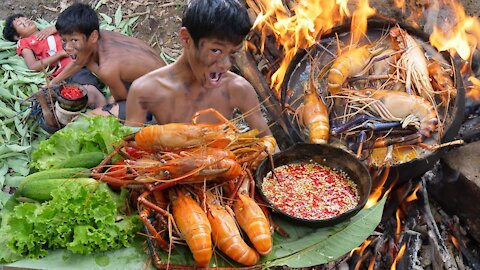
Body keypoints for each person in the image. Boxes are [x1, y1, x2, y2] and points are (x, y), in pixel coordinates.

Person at [125, 0, 273, 138]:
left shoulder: (238, 89)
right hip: (169, 161)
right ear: (186, 38)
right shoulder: (145, 91)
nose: (226, 64)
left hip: (223, 162)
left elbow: (271, 149)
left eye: (233, 52)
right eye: (216, 50)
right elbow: (127, 152)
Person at [53, 3, 167, 120]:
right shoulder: (101, 36)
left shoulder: (107, 67)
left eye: (74, 40)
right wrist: (53, 83)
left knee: (88, 118)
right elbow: (78, 62)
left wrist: (105, 109)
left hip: (161, 105)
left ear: (93, 36)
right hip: (156, 80)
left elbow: (122, 100)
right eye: (63, 40)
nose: (67, 47)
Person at [3, 14, 106, 109]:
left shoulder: (50, 30)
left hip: (88, 54)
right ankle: (104, 110)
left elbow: (79, 27)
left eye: (25, 19)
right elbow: (33, 66)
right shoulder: (24, 42)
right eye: (21, 24)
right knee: (89, 90)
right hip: (70, 69)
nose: (26, 22)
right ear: (17, 36)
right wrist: (60, 54)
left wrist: (56, 28)